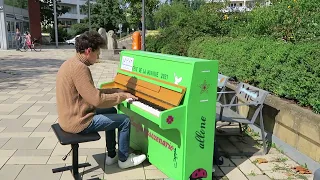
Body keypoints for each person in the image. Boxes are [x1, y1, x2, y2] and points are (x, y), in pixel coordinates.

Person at [55, 31, 146, 169]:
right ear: (88, 51)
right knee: (125, 121)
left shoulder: (70, 63)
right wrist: (122, 96)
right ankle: (124, 159)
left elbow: (89, 93)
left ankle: (111, 156)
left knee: (111, 109)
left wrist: (114, 91)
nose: (98, 58)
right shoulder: (80, 68)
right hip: (78, 122)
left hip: (68, 116)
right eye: (97, 54)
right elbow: (97, 100)